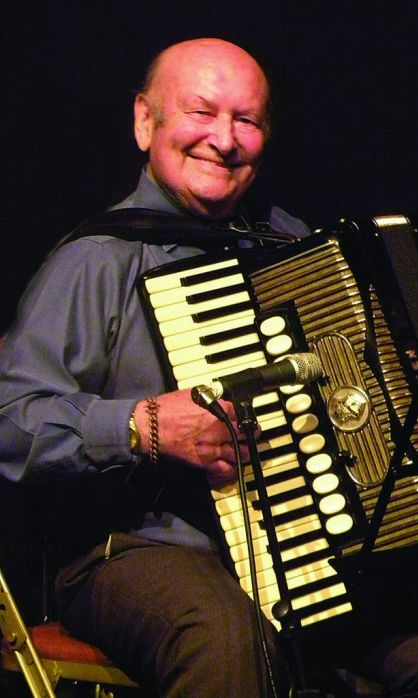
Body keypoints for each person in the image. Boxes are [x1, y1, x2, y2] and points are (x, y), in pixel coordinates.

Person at [0, 37, 310, 697]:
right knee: (229, 639)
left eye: (246, 121)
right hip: (130, 549)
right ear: (147, 122)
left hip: (297, 544)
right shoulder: (98, 259)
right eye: (201, 113)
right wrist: (140, 425)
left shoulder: (292, 246)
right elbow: (11, 423)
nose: (223, 140)